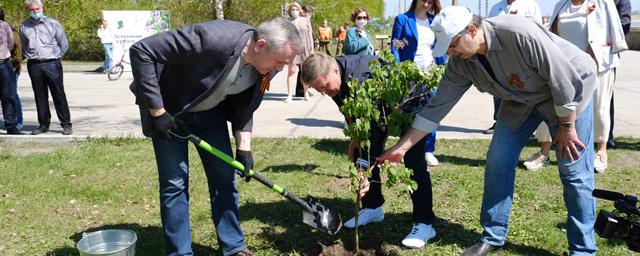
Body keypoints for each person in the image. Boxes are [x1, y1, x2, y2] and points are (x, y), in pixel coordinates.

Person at [378, 6, 601, 255]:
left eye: (452, 45)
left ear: (472, 30)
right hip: (521, 101)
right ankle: (493, 236)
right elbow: (436, 107)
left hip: (570, 92)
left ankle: (583, 249)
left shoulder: (518, 33)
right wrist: (402, 147)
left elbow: (563, 80)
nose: (451, 53)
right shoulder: (462, 62)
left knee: (574, 171)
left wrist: (567, 127)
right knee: (498, 160)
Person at [128, 17, 302, 256]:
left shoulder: (265, 69)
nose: (280, 69)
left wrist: (244, 148)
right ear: (260, 45)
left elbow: (245, 107)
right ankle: (180, 253)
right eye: (280, 62)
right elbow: (142, 51)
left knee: (224, 178)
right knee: (175, 183)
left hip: (210, 115)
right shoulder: (212, 38)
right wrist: (157, 111)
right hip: (170, 111)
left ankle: (234, 247)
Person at [300, 53, 438, 249]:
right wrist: (355, 139)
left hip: (413, 105)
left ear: (335, 71)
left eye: (323, 86)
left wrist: (364, 172)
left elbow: (374, 132)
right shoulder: (335, 80)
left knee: (413, 162)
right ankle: (373, 208)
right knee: (360, 153)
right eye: (318, 88)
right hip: (381, 111)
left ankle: (424, 223)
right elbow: (348, 108)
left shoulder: (362, 78)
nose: (323, 92)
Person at [550, 0, 627, 173]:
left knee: (600, 107)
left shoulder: (603, 2)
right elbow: (552, 34)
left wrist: (593, 56)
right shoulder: (561, 5)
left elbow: (615, 28)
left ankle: (601, 150)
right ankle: (575, 145)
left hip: (599, 64)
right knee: (571, 108)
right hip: (568, 66)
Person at [391, 0, 446, 166]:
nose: (426, 4)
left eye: (431, 2)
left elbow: (439, 48)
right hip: (409, 73)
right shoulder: (402, 19)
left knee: (431, 112)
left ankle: (428, 150)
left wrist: (442, 69)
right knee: (408, 112)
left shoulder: (434, 21)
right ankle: (406, 148)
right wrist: (399, 70)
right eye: (424, 0)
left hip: (430, 73)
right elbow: (395, 48)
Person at [484, 0, 542, 134]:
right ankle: (498, 122)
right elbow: (487, 30)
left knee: (525, 90)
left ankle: (528, 126)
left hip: (522, 57)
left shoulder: (530, 5)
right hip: (499, 56)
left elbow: (538, 30)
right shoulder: (496, 7)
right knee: (498, 91)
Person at [20, 0, 72, 135]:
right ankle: (43, 124)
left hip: (52, 63)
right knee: (40, 95)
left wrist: (55, 57)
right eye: (32, 10)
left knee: (58, 94)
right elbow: (24, 45)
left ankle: (66, 124)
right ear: (28, 10)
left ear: (42, 8)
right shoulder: (24, 26)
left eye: (37, 9)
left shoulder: (53, 23)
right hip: (34, 65)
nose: (35, 12)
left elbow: (64, 43)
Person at [609, 0, 631, 150]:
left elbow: (625, 22)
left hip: (606, 54)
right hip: (582, 52)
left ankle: (606, 136)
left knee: (606, 97)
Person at [0, 9, 23, 135]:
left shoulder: (5, 26)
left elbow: (10, 43)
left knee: (8, 96)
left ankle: (11, 126)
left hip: (3, 64)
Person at [285, 2, 314, 103]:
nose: (295, 11)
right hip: (293, 49)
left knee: (304, 72)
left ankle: (306, 93)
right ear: (289, 11)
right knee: (291, 72)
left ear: (300, 10)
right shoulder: (287, 22)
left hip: (305, 48)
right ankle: (289, 95)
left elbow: (310, 35)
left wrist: (312, 50)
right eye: (293, 10)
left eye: (296, 9)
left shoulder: (305, 20)